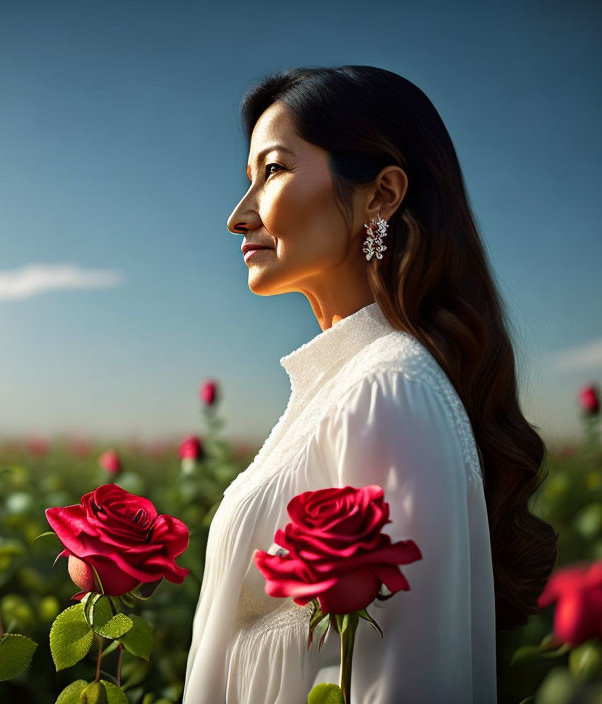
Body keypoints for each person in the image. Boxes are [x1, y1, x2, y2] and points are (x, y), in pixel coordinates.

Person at [182, 66, 558, 703]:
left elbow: (402, 680)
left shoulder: (389, 389)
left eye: (271, 171)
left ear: (381, 195)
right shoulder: (346, 386)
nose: (237, 217)